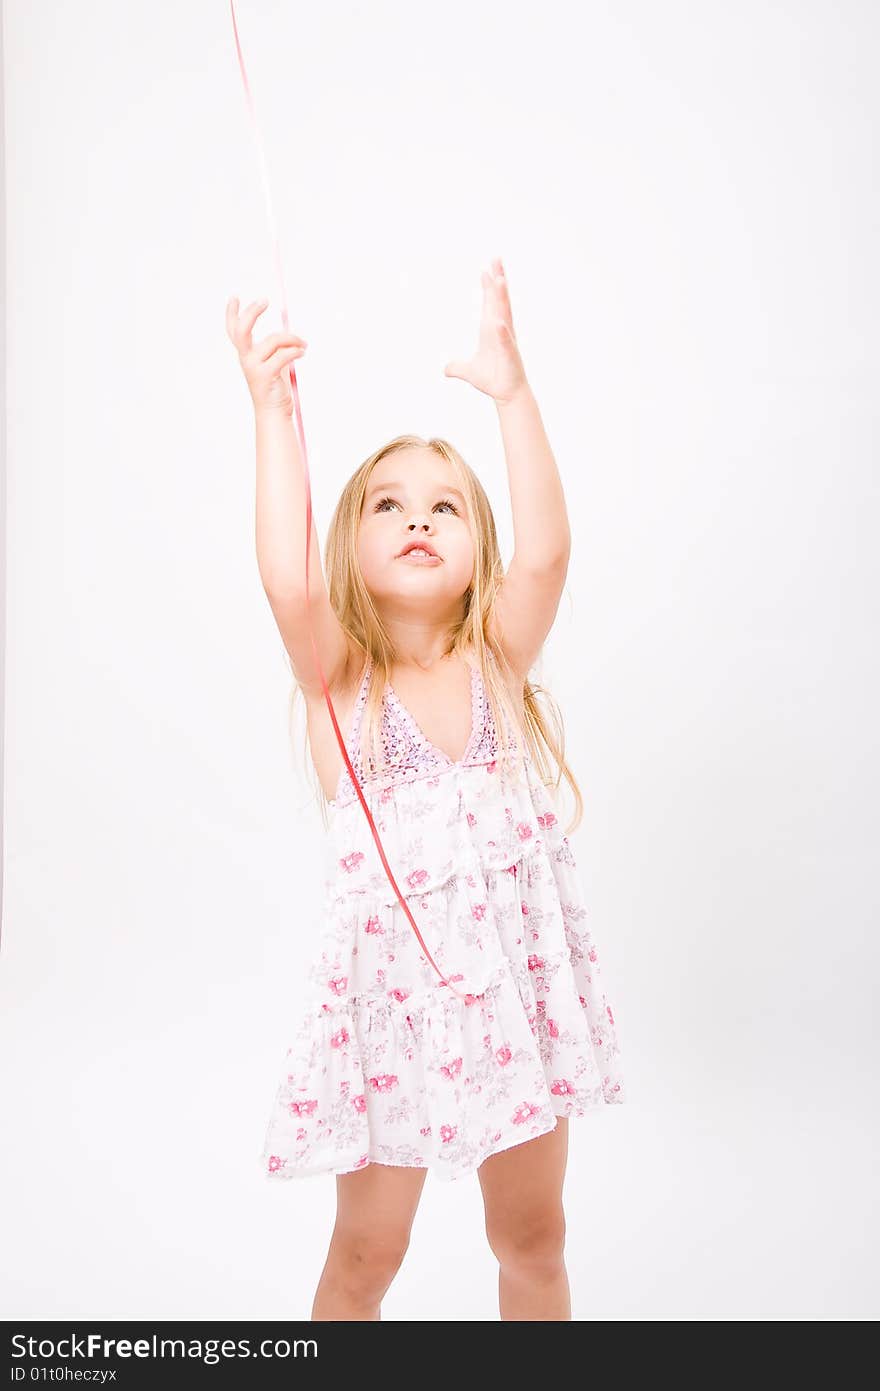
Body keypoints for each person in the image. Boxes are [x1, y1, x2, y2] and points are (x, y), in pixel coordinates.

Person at [225, 258, 625, 1321]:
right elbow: (284, 580)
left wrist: (512, 393)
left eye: (445, 505)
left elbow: (546, 555)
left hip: (513, 1001)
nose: (418, 518)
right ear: (349, 545)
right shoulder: (340, 683)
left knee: (532, 1237)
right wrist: (272, 408)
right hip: (387, 1016)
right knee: (366, 1251)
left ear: (472, 548)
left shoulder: (496, 657)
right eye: (389, 504)